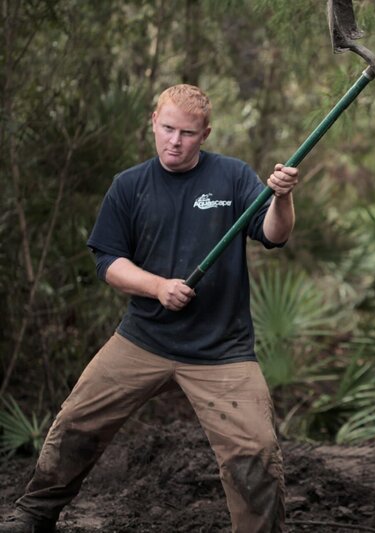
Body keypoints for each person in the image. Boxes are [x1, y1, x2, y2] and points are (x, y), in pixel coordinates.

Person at [1, 84, 299, 533]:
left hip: (222, 350)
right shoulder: (130, 186)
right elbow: (108, 261)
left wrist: (280, 196)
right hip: (144, 338)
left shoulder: (233, 177)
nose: (174, 141)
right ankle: (34, 513)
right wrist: (158, 287)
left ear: (206, 134)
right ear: (153, 124)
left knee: (255, 454)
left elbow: (275, 235)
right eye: (166, 129)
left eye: (187, 133)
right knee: (76, 423)